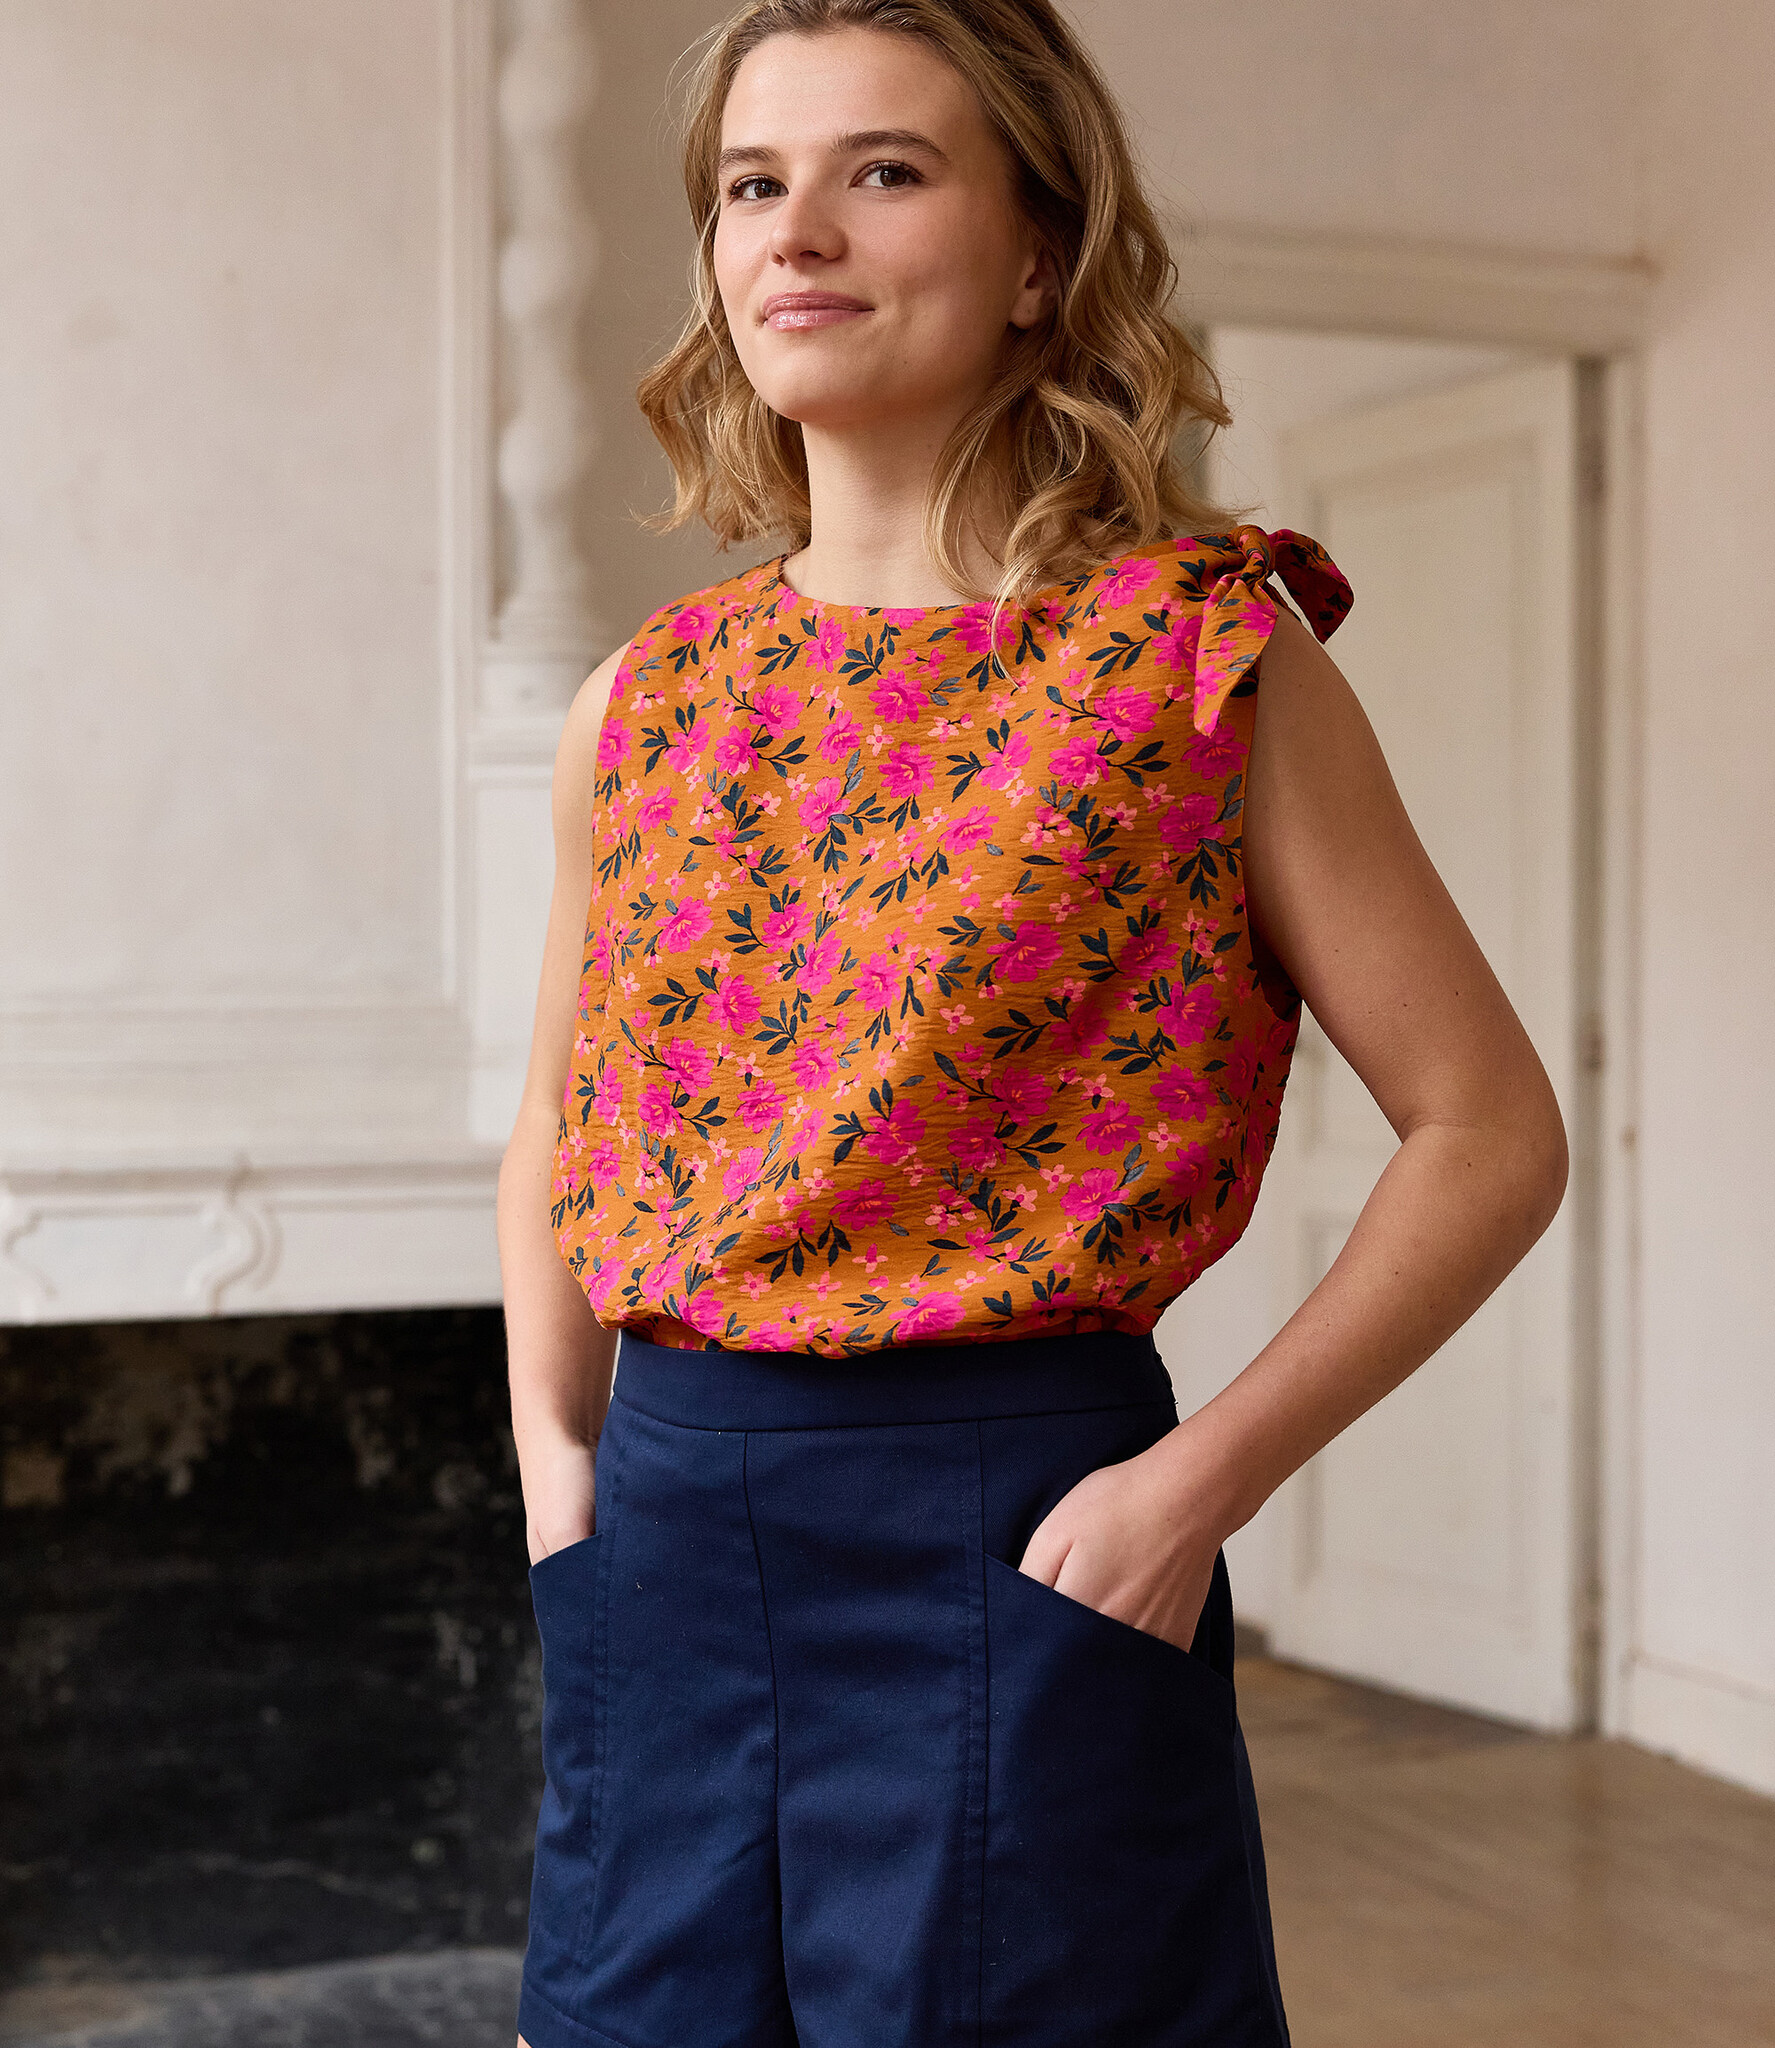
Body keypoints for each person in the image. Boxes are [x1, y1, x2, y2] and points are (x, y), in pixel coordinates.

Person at [496, 2, 1568, 2043]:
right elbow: (559, 1121)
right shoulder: (645, 698)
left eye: (885, 171)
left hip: (1017, 1534)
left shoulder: (1204, 666)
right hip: (670, 1536)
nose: (799, 230)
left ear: (1037, 256)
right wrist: (558, 1467)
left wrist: (1200, 1486)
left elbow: (1491, 1132)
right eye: (753, 184)